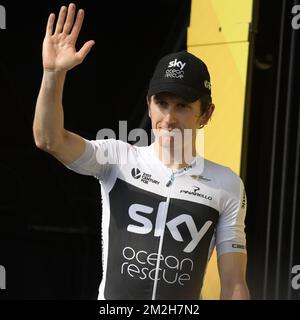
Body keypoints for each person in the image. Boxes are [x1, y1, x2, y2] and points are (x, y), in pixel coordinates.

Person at [33, 3, 250, 300]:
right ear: (149, 104)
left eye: (183, 106)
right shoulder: (118, 159)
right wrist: (53, 74)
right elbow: (49, 139)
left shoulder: (226, 185)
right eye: (162, 103)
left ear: (206, 114)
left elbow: (234, 285)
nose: (169, 118)